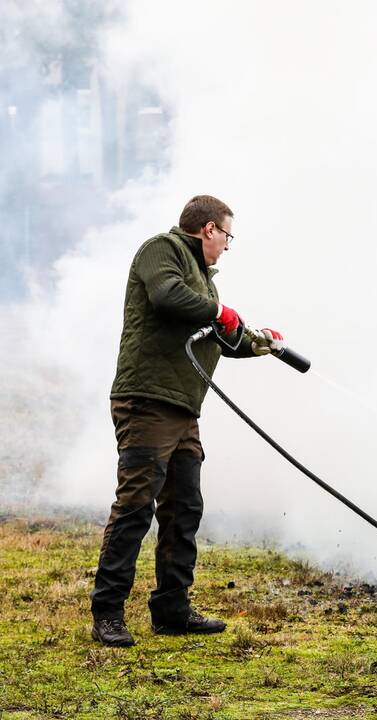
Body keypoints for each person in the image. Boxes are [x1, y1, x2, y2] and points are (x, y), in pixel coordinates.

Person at [90, 195, 287, 647]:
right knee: (137, 504)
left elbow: (217, 337)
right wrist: (220, 312)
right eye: (228, 235)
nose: (228, 246)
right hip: (146, 401)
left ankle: (172, 610)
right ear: (209, 229)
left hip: (182, 409)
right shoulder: (162, 250)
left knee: (184, 509)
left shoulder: (204, 281)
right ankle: (107, 613)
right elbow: (167, 296)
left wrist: (255, 344)